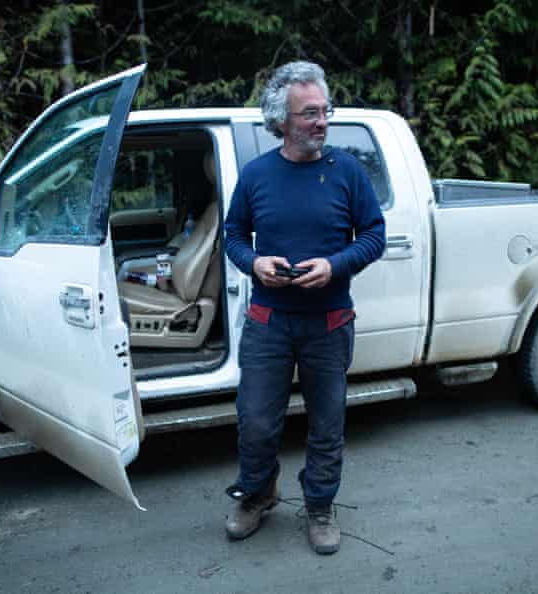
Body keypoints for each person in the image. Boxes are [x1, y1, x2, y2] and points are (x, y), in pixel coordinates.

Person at [223, 61, 386, 554]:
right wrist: (255, 263)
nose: (321, 122)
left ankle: (319, 505)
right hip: (268, 321)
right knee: (254, 420)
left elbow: (375, 235)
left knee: (327, 422)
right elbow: (231, 237)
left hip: (329, 320)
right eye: (309, 113)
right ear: (282, 120)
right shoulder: (256, 176)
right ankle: (258, 493)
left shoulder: (347, 172)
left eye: (325, 111)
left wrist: (335, 266)